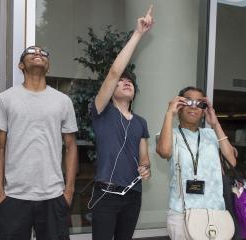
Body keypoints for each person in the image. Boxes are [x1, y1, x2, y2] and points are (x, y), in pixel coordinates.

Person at [0, 46, 78, 240]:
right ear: (21, 65)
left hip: (54, 195)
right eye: (32, 52)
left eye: (44, 53)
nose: (39, 53)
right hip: (13, 195)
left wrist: (69, 191)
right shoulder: (5, 99)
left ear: (48, 67)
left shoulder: (63, 101)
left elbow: (71, 146)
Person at [88, 6, 153, 240]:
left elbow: (144, 159)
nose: (126, 83)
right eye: (121, 82)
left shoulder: (141, 122)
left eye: (131, 83)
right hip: (106, 193)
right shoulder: (101, 111)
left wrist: (146, 169)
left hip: (133, 195)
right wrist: (138, 34)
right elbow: (115, 71)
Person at [156, 86, 237, 239]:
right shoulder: (169, 134)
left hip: (215, 212)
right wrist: (169, 114)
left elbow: (231, 160)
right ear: (179, 107)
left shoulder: (212, 134)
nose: (194, 106)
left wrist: (215, 123)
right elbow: (164, 151)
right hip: (182, 213)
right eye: (188, 101)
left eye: (200, 103)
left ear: (203, 110)